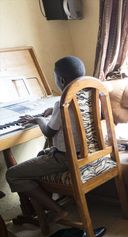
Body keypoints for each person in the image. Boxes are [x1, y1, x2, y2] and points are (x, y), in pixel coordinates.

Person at [5, 56, 86, 223]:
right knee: (41, 154)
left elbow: (49, 132)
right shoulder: (89, 93)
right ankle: (40, 207)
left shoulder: (62, 102)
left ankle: (58, 210)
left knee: (12, 174)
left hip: (66, 159)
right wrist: (55, 111)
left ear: (61, 80)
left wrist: (38, 120)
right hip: (87, 152)